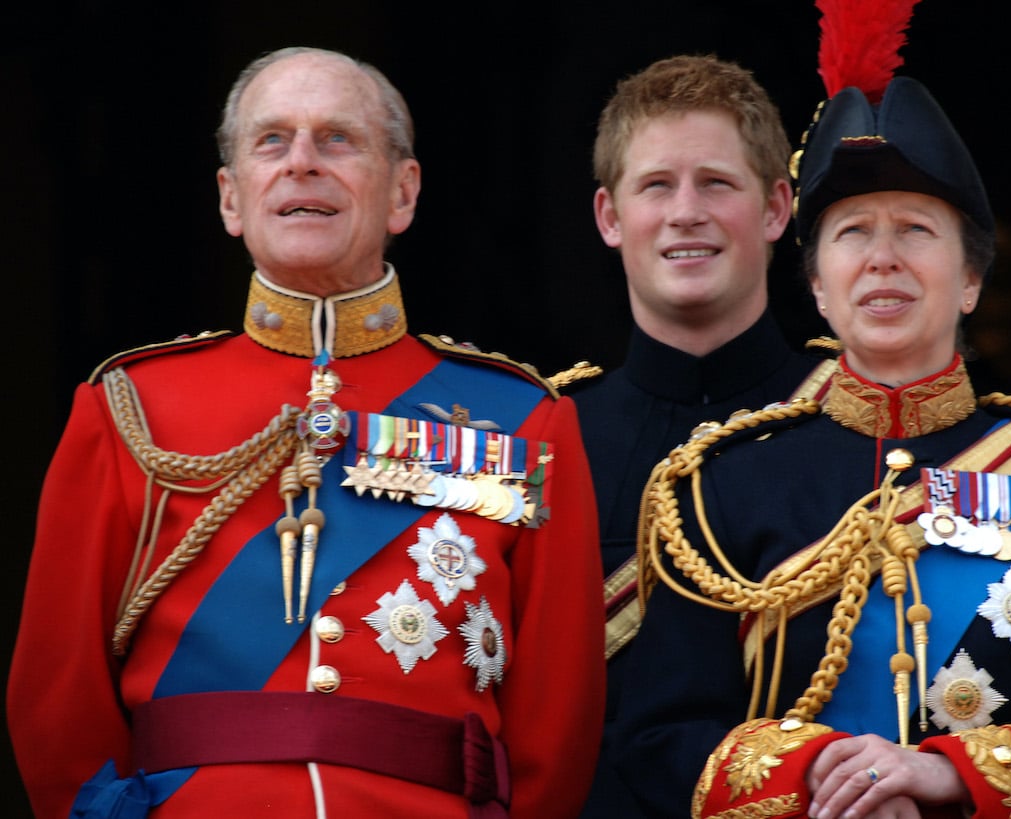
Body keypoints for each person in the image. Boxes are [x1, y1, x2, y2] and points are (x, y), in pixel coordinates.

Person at [614, 5, 1011, 818]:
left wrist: (949, 773)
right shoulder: (718, 484)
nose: (882, 257)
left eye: (915, 229)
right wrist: (825, 774)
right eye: (850, 233)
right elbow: (656, 738)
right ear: (815, 285)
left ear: (971, 280)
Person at [7, 46, 604, 819]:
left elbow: (556, 725)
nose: (301, 163)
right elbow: (59, 701)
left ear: (403, 192)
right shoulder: (128, 406)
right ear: (231, 198)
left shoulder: (525, 419)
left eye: (338, 139)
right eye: (271, 140)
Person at [553, 54, 832, 817]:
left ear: (776, 208)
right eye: (656, 185)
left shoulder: (851, 416)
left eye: (715, 182)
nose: (685, 211)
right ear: (609, 217)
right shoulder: (549, 438)